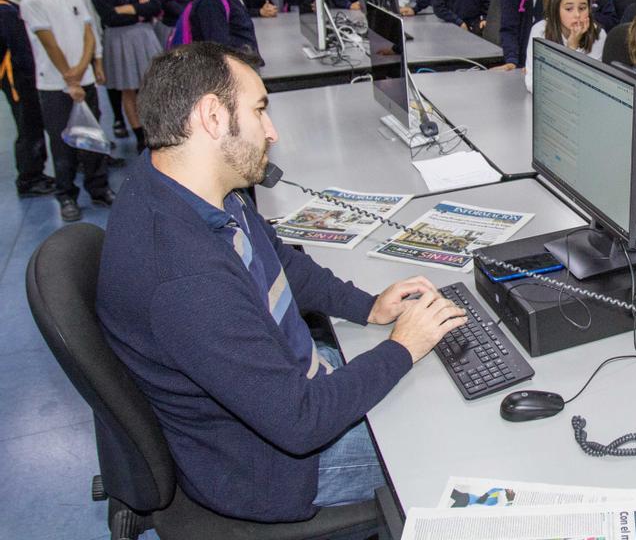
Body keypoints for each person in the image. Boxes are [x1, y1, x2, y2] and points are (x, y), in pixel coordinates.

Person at [95, 41, 467, 523]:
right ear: (212, 116)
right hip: (279, 466)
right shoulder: (182, 276)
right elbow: (301, 421)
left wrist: (368, 306)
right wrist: (400, 347)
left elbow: (279, 262)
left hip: (287, 386)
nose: (271, 132)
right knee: (454, 429)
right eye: (259, 111)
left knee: (441, 378)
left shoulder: (190, 188)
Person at [20, 0, 112, 221]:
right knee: (64, 144)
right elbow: (49, 43)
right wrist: (69, 79)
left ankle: (99, 188)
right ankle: (67, 194)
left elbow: (88, 32)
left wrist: (88, 65)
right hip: (55, 85)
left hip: (81, 78)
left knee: (92, 136)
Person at [90, 0, 162, 153]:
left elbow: (155, 5)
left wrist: (128, 9)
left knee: (150, 86)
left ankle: (156, 130)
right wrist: (139, 8)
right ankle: (139, 133)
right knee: (128, 89)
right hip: (119, 39)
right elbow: (110, 16)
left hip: (143, 36)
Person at [0, 0, 54, 197]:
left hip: (20, 79)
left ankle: (36, 172)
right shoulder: (6, 11)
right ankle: (29, 178)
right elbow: (20, 52)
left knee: (31, 126)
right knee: (29, 127)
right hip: (19, 81)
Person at [523, 0, 606, 92]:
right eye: (569, 9)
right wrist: (570, 48)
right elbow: (532, 82)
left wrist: (573, 47)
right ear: (556, 9)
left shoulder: (598, 34)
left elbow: (590, 85)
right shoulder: (540, 31)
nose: (577, 14)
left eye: (582, 8)